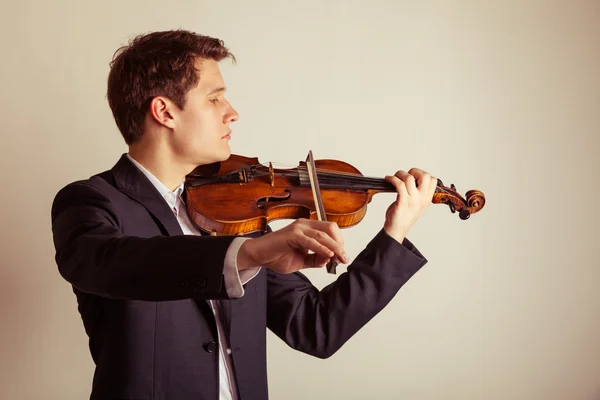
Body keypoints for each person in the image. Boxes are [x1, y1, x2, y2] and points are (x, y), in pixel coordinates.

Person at [50, 29, 438, 400]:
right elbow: (117, 263)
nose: (232, 113)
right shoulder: (91, 202)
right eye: (215, 98)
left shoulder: (233, 209)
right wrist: (247, 254)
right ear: (164, 112)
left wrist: (395, 232)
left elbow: (318, 327)